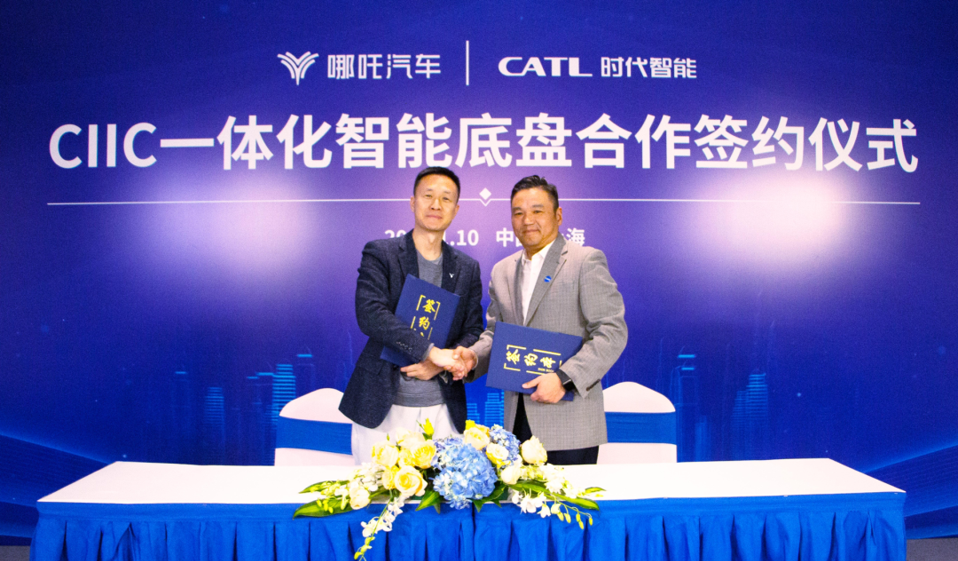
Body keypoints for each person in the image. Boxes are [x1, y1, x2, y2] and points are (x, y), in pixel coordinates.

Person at [454, 175, 627, 465]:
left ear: (558, 215)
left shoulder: (584, 261)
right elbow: (497, 334)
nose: (527, 220)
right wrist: (473, 357)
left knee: (569, 497)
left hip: (569, 422)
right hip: (516, 422)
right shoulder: (502, 271)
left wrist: (563, 379)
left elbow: (611, 332)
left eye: (537, 211)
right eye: (518, 213)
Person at [339, 167, 483, 463]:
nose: (436, 205)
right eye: (428, 196)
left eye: (446, 199)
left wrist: (441, 364)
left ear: (456, 210)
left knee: (443, 491)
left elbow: (473, 330)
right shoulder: (381, 253)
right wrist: (430, 351)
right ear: (412, 202)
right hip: (382, 407)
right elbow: (371, 314)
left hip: (443, 408)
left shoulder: (467, 268)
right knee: (377, 488)